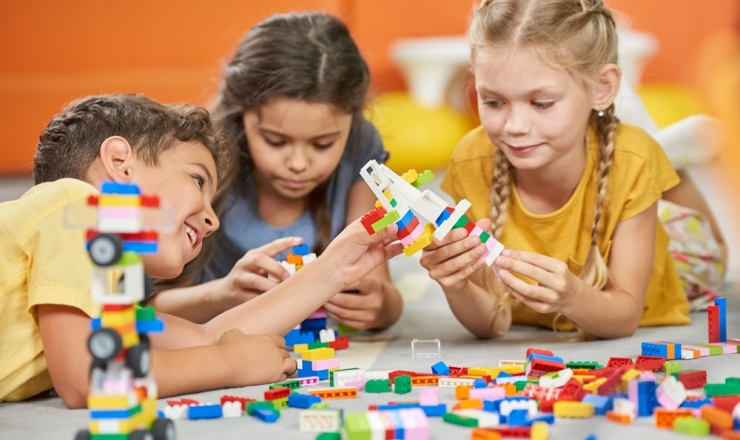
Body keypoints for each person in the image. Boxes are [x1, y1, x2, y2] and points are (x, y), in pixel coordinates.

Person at [0, 94, 401, 407]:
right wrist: (230, 365)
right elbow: (91, 380)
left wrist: (334, 269)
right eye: (197, 180)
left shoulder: (94, 286)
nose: (213, 221)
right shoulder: (75, 206)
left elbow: (208, 337)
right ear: (120, 164)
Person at [420, 0, 725, 340]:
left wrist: (573, 297)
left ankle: (670, 161)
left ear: (601, 88)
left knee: (708, 248)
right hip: (605, 193)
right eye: (493, 102)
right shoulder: (471, 159)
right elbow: (492, 323)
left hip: (673, 248)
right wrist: (456, 284)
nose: (515, 126)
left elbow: (624, 317)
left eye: (542, 103)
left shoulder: (633, 160)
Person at [149, 12, 403, 331]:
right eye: (275, 141)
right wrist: (222, 294)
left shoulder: (360, 147)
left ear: (350, 123)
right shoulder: (200, 158)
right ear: (243, 117)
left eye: (323, 144)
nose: (298, 163)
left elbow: (381, 289)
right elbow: (144, 309)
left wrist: (383, 306)